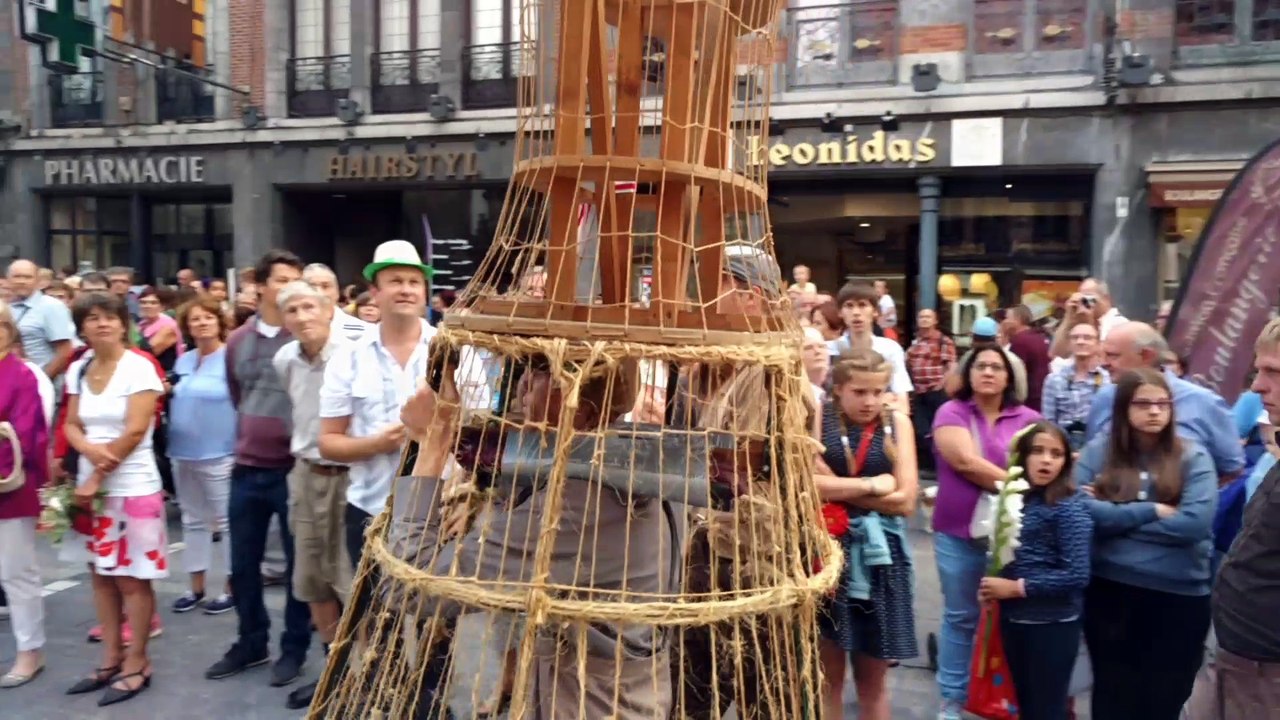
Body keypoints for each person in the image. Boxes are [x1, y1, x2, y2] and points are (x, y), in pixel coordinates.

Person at [1075, 368, 1217, 720]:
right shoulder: (1100, 452)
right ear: (1123, 408)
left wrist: (1114, 517)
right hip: (1111, 593)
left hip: (1178, 597)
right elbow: (1077, 511)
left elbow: (1194, 524)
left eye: (1162, 403)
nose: (1154, 411)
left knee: (1163, 700)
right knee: (1112, 695)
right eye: (1143, 403)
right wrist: (1151, 510)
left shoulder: (1193, 457)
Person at [205, 250, 313, 688]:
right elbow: (238, 393)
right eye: (282, 279)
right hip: (247, 468)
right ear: (262, 285)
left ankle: (293, 649)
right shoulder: (237, 342)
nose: (290, 287)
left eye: (296, 279)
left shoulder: (305, 336)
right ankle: (251, 642)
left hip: (293, 469)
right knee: (242, 563)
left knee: (297, 567)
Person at [62, 292, 167, 706]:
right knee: (101, 576)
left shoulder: (139, 367)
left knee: (132, 578)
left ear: (124, 324)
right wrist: (87, 453)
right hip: (93, 485)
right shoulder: (79, 367)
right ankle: (110, 656)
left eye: (110, 317)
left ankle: (138, 661)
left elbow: (136, 430)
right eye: (92, 318)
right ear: (82, 327)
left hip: (134, 486)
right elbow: (70, 423)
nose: (102, 324)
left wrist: (98, 474)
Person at [930, 344, 1042, 720]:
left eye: (997, 366)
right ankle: (952, 699)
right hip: (958, 532)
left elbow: (1046, 463)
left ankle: (1003, 697)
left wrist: (1025, 484)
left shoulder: (1029, 418)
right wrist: (1020, 483)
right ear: (969, 372)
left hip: (1014, 534)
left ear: (1010, 376)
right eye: (981, 366)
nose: (989, 372)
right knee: (961, 616)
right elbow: (964, 462)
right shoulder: (952, 411)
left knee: (1010, 617)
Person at [812, 350, 918, 720]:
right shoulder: (818, 419)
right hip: (827, 551)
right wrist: (874, 484)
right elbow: (807, 486)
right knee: (827, 681)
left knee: (873, 685)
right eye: (859, 391)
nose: (870, 401)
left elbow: (906, 499)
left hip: (881, 560)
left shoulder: (897, 423)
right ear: (838, 390)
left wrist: (839, 488)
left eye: (878, 391)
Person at [319, 240, 436, 570]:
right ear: (375, 292)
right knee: (369, 617)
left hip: (440, 512)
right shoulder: (348, 357)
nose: (406, 290)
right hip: (371, 511)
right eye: (395, 281)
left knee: (435, 619)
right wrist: (376, 444)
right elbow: (328, 441)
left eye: (414, 282)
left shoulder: (452, 352)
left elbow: (479, 433)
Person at [1186, 317, 1280, 718]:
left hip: (1265, 674)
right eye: (1259, 370)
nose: (1258, 386)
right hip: (1231, 654)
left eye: (1274, 372)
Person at [272, 280, 352, 710]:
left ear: (328, 309)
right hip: (304, 475)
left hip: (351, 475)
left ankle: (364, 673)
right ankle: (334, 673)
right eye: (292, 311)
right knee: (312, 578)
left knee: (350, 578)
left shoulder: (352, 354)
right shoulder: (285, 358)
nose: (302, 318)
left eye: (309, 307)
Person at [977, 422, 1092, 720]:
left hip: (1051, 625)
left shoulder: (1069, 508)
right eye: (1038, 451)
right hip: (1014, 619)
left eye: (1056, 454)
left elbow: (1077, 574)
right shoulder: (1016, 499)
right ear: (1022, 457)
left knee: (1046, 707)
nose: (1046, 460)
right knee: (1023, 704)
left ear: (1066, 461)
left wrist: (1016, 588)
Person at [1085, 322, 1243, 483]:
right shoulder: (1104, 398)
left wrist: (1195, 500)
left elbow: (1232, 471)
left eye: (1113, 356)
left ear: (1147, 356)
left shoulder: (1204, 402)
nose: (1103, 364)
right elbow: (1091, 460)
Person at [166, 296, 236, 616]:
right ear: (186, 326)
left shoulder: (232, 358)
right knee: (193, 521)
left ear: (220, 322)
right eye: (195, 319)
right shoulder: (183, 361)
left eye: (208, 317)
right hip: (182, 451)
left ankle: (231, 588)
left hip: (221, 450)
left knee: (227, 521)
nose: (202, 323)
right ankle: (195, 587)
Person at [0, 299, 51, 689]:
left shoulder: (21, 375)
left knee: (16, 573)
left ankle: (30, 650)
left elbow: (25, 434)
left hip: (9, 485)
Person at [828, 281, 912, 408]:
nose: (856, 312)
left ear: (875, 311)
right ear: (840, 312)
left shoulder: (890, 349)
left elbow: (902, 401)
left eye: (862, 305)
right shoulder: (829, 350)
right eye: (849, 306)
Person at [5, 259, 76, 387]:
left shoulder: (52, 306)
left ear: (38, 281)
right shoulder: (5, 307)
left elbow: (65, 351)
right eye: (17, 277)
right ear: (8, 280)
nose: (22, 281)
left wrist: (40, 381)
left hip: (42, 386)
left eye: (27, 277)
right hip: (9, 385)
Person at [1041, 320, 1109, 450]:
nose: (1080, 342)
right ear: (1069, 343)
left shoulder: (1106, 379)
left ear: (1098, 344)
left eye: (1087, 338)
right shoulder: (1054, 379)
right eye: (1075, 338)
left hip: (1096, 444)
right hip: (1062, 445)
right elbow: (1048, 421)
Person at [906, 308, 956, 468]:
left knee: (940, 429)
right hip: (919, 393)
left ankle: (940, 465)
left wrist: (941, 386)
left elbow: (952, 366)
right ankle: (930, 465)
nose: (924, 319)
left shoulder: (943, 341)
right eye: (921, 317)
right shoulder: (916, 342)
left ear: (935, 321)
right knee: (922, 430)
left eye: (928, 317)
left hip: (936, 393)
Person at [1050, 278, 1127, 358]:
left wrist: (1089, 322)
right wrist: (1068, 318)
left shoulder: (1119, 324)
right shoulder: (1080, 322)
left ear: (1106, 298)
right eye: (1082, 299)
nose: (1086, 303)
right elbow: (1056, 355)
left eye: (1089, 297)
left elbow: (1102, 358)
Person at [302, 263, 371, 342]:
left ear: (337, 292)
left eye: (325, 286)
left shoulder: (366, 332)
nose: (319, 292)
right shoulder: (292, 332)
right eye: (311, 287)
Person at [1005, 304, 1051, 412]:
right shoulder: (1040, 337)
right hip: (1043, 396)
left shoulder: (1020, 341)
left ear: (1018, 320)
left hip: (1029, 400)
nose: (1004, 322)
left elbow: (1015, 373)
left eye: (1007, 318)